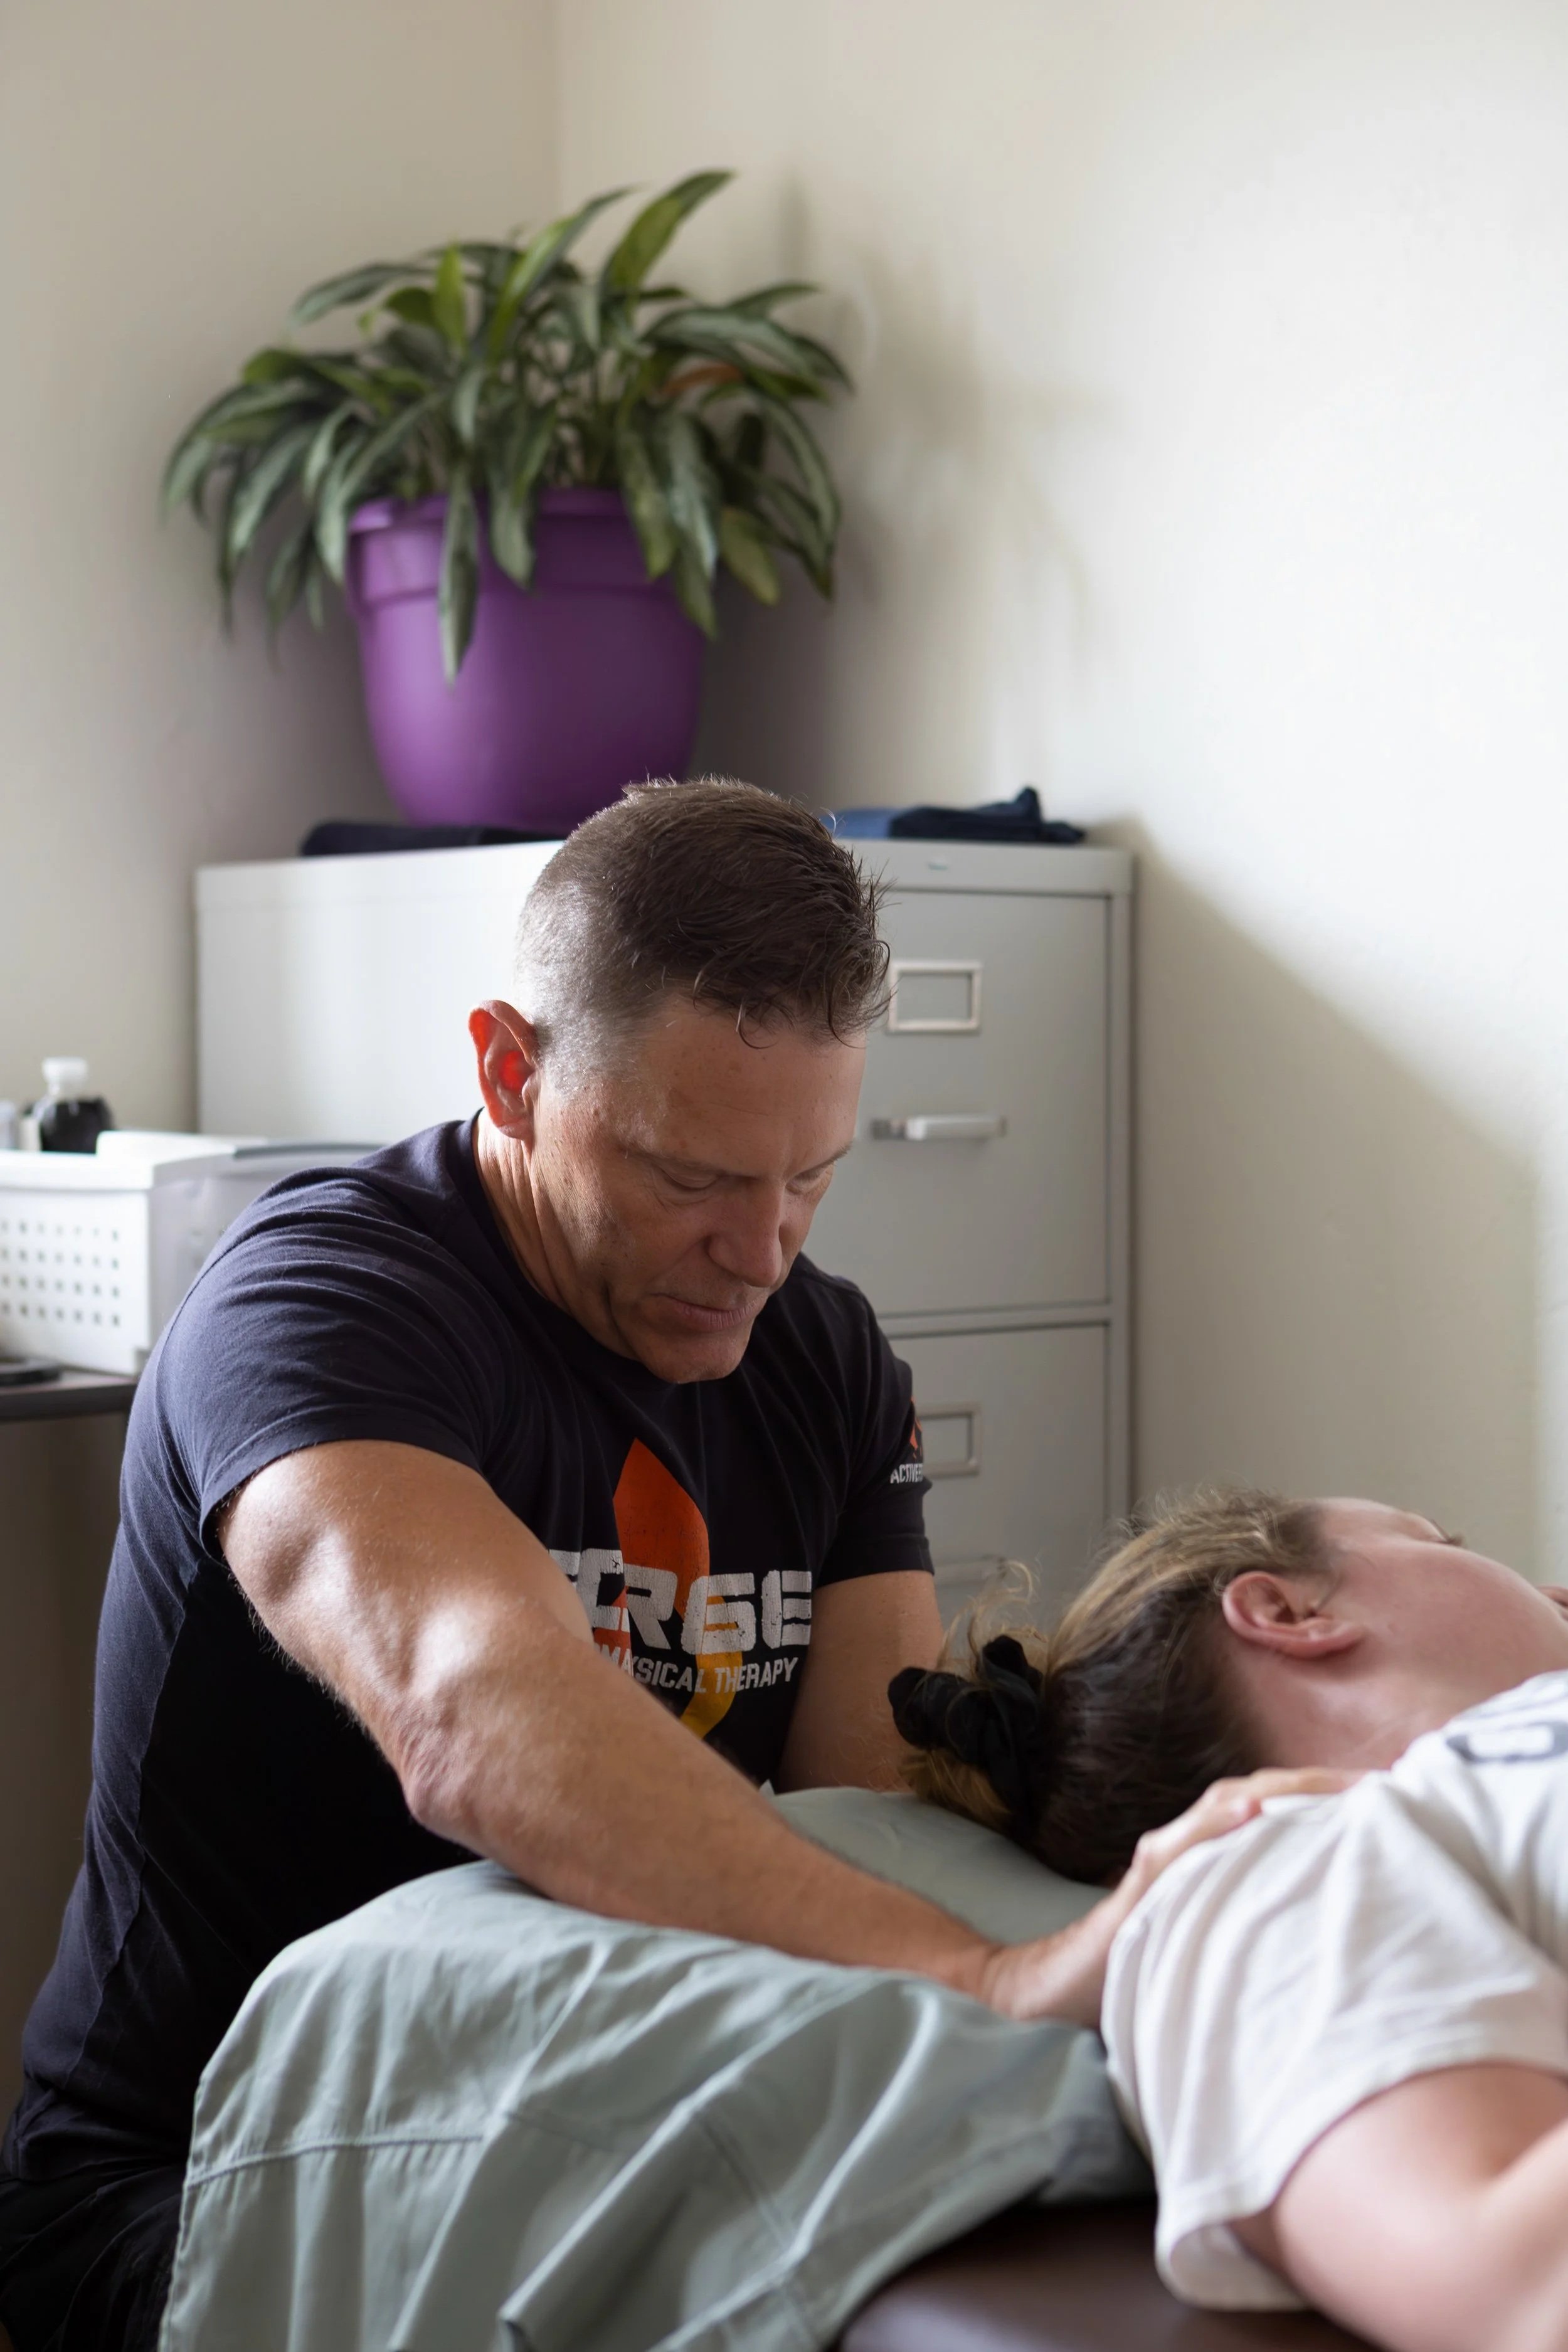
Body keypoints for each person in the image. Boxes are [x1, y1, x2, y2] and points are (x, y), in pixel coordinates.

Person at [0, 782, 1306, 2352]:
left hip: (592, 2091)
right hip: (202, 2183)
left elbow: (870, 1814)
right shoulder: (316, 1307)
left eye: (810, 1176)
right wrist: (997, 1982)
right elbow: (473, 1715)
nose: (761, 1251)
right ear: (509, 1070)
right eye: (692, 1179)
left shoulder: (820, 1352)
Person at [892, 1487, 1568, 2352]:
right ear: (1289, 1610)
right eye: (1448, 1538)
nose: (1545, 1586)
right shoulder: (1267, 1870)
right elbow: (1508, 2280)